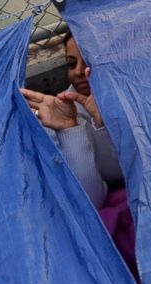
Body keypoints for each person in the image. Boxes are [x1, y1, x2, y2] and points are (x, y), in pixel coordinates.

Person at [20, 33, 122, 208]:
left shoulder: (130, 93)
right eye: (71, 63)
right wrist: (72, 129)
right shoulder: (65, 111)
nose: (78, 71)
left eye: (88, 61)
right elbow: (94, 198)